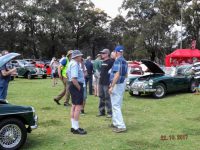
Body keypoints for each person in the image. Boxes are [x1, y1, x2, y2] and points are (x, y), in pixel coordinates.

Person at [67, 50, 87, 135]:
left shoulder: (71, 63)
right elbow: (74, 79)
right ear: (76, 57)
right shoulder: (75, 64)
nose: (81, 57)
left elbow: (68, 75)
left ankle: (73, 126)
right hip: (76, 85)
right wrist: (79, 88)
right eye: (80, 56)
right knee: (78, 107)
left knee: (74, 106)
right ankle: (76, 128)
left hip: (72, 85)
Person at [109, 45, 128, 133]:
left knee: (115, 105)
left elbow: (117, 74)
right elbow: (126, 74)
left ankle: (120, 125)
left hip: (117, 84)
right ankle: (115, 123)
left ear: (116, 52)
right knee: (117, 104)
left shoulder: (118, 61)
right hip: (122, 83)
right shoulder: (124, 61)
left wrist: (112, 86)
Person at [97, 49, 114, 118]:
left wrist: (111, 82)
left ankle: (109, 112)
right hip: (101, 81)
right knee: (101, 97)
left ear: (107, 54)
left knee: (107, 97)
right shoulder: (102, 62)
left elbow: (113, 72)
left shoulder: (111, 61)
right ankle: (101, 112)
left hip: (107, 82)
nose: (102, 54)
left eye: (103, 53)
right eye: (101, 53)